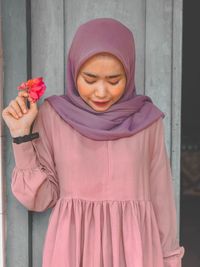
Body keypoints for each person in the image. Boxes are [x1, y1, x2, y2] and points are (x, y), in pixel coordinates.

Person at [2, 18, 184, 267]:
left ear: (129, 74)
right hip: (72, 250)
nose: (101, 92)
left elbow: (162, 199)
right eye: (89, 79)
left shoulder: (148, 120)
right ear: (74, 70)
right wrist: (22, 135)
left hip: (135, 251)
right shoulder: (54, 116)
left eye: (114, 80)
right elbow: (40, 198)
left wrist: (170, 260)